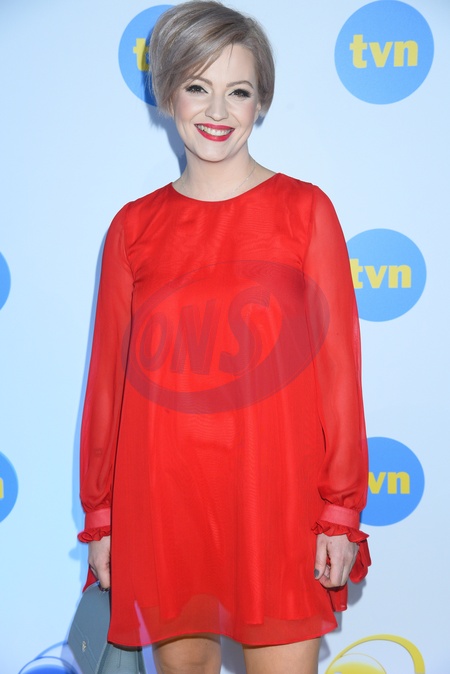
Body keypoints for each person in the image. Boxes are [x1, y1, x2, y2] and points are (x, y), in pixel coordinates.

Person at [78, 2, 371, 673]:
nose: (218, 110)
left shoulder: (306, 212)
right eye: (197, 86)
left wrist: (340, 510)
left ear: (261, 102)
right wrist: (102, 517)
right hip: (166, 507)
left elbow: (338, 375)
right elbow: (107, 386)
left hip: (278, 506)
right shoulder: (133, 229)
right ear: (168, 94)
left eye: (238, 90)